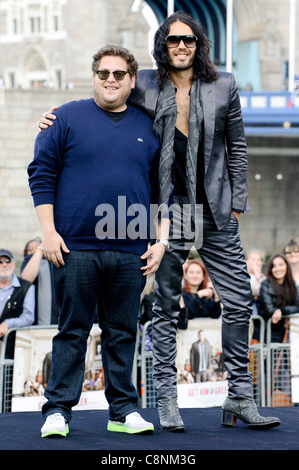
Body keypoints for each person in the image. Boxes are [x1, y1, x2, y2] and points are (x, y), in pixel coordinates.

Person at [38, 12, 281, 431]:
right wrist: (55, 116)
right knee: (165, 308)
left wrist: (236, 204)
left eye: (188, 39)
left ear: (199, 43)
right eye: (173, 41)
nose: (181, 46)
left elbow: (237, 147)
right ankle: (167, 400)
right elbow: (106, 93)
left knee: (240, 301)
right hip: (167, 209)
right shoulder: (144, 83)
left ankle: (240, 397)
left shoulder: (224, 85)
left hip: (215, 208)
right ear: (162, 46)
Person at [28, 45, 166, 438]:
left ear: (131, 80)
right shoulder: (63, 118)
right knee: (72, 330)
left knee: (123, 332)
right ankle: (57, 410)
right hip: (74, 247)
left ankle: (122, 411)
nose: (110, 79)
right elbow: (41, 174)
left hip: (131, 251)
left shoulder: (148, 126)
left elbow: (163, 190)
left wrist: (161, 241)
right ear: (94, 76)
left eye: (119, 74)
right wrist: (49, 233)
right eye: (103, 72)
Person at [0, 249, 35, 358]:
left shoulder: (27, 287)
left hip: (11, 348)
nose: (4, 264)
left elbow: (28, 317)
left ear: (14, 264)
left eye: (7, 260)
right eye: (0, 261)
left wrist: (7, 324)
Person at [259, 254, 299, 343]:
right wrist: (279, 311)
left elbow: (297, 306)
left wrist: (281, 311)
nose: (278, 269)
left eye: (281, 265)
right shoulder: (265, 284)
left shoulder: (292, 284)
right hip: (268, 330)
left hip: (287, 331)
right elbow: (268, 309)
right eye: (274, 266)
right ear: (270, 269)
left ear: (286, 266)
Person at [21, 241, 59, 325]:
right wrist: (40, 249)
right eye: (30, 250)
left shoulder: (52, 260)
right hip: (38, 322)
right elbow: (26, 279)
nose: (34, 251)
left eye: (38, 246)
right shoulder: (29, 261)